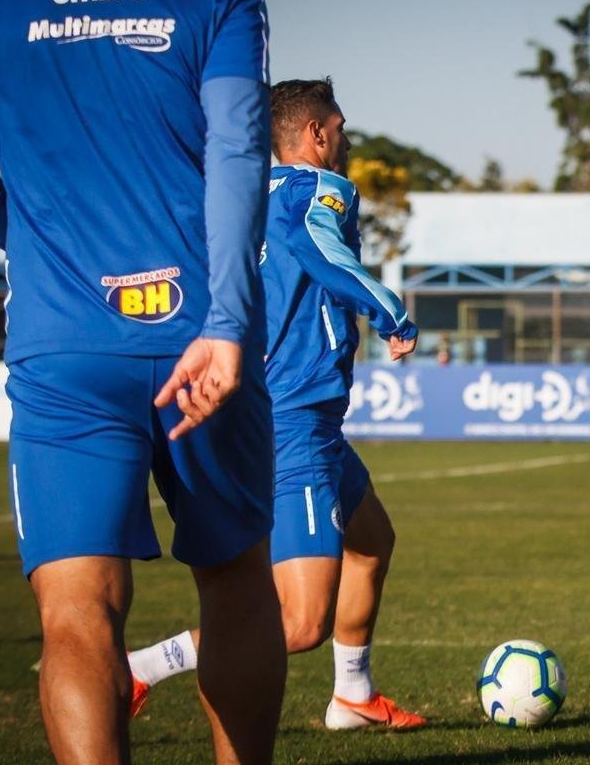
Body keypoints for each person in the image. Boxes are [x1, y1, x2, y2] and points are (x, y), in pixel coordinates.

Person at [0, 0, 286, 762]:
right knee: (233, 581)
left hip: (65, 342)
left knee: (75, 608)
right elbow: (238, 150)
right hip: (204, 332)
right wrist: (226, 320)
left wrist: (55, 251)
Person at [128, 78, 426, 731]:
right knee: (297, 623)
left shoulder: (240, 197)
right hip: (297, 416)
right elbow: (318, 249)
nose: (344, 141)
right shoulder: (314, 188)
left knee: (371, 541)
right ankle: (143, 667)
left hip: (290, 410)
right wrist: (389, 311)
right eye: (339, 129)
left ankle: (352, 695)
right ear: (315, 134)